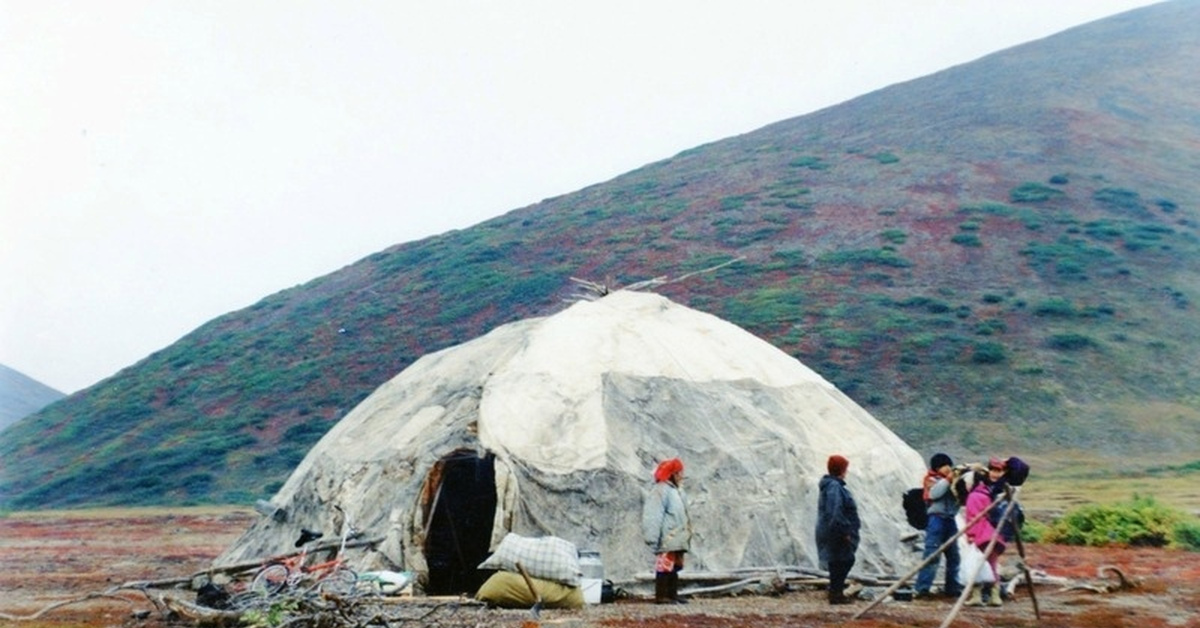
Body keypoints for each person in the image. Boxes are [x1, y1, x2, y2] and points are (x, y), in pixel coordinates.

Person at [642, 457, 693, 604]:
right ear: (672, 474)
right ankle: (662, 596)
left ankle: (672, 594)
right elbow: (653, 515)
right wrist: (652, 537)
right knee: (664, 566)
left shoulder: (676, 491)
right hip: (667, 537)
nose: (681, 476)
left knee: (674, 566)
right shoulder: (661, 490)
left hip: (676, 537)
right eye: (678, 473)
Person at [914, 452, 964, 600]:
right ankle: (922, 589)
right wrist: (947, 480)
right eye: (943, 466)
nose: (947, 468)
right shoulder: (931, 480)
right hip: (936, 520)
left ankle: (953, 588)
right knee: (932, 555)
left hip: (950, 519)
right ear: (937, 468)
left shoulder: (953, 481)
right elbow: (934, 494)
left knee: (954, 556)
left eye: (948, 465)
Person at [816, 454, 861, 605]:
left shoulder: (831, 486)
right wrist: (844, 531)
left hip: (831, 530)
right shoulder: (835, 487)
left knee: (837, 561)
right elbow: (835, 511)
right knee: (845, 560)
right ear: (842, 469)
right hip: (836, 531)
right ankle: (836, 593)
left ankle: (836, 592)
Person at [963, 459, 1007, 607]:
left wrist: (970, 535)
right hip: (992, 534)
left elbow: (972, 518)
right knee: (992, 564)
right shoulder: (988, 494)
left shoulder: (973, 496)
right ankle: (995, 596)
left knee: (977, 565)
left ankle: (977, 596)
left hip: (980, 534)